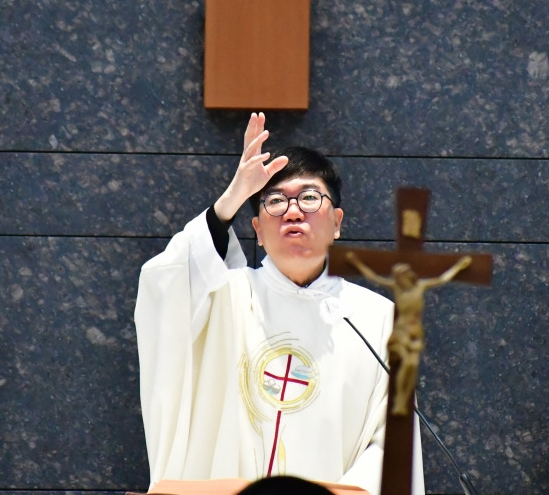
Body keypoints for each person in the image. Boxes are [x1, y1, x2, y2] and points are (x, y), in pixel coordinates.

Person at [135, 113, 424, 495]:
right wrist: (232, 197)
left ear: (337, 223)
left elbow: (390, 445)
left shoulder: (376, 319)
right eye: (274, 201)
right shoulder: (222, 297)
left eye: (309, 197)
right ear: (256, 229)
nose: (292, 211)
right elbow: (166, 286)